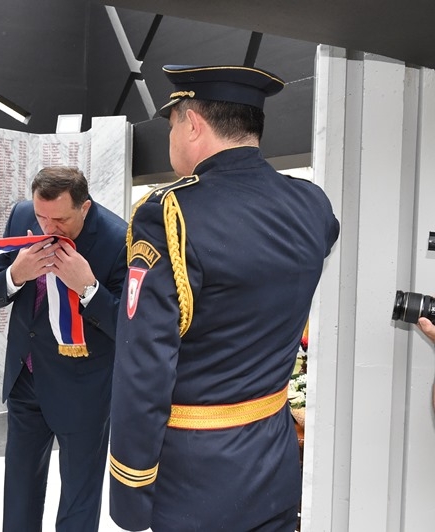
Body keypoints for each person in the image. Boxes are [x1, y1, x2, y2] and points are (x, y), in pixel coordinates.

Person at [108, 65, 340, 531]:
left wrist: (130, 485)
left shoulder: (170, 213)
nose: (171, 137)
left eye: (172, 124)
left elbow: (145, 366)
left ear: (193, 123)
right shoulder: (311, 204)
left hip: (195, 480)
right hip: (274, 463)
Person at [0, 166, 127, 532]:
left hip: (83, 390)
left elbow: (128, 328)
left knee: (79, 501)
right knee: (19, 497)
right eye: (41, 217)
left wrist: (89, 288)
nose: (48, 227)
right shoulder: (22, 216)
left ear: (84, 207)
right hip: (26, 378)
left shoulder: (119, 238)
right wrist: (16, 274)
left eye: (59, 220)